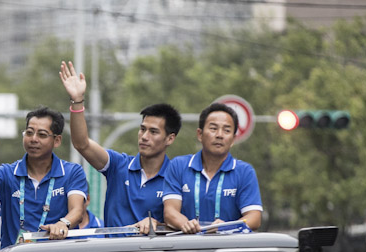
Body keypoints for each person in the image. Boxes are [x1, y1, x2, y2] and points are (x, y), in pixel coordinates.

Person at [59, 61, 180, 233]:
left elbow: (186, 224)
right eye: (142, 129)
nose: (144, 136)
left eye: (153, 132)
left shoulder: (177, 176)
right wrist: (77, 101)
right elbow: (82, 144)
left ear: (170, 138)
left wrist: (157, 225)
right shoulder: (118, 165)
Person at [0, 109, 88, 250]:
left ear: (57, 140)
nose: (33, 139)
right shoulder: (6, 173)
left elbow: (77, 210)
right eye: (29, 133)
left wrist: (63, 223)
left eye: (42, 135)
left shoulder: (71, 172)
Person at [163, 102, 263, 233]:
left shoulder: (244, 172)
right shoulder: (178, 166)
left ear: (233, 139)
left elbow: (254, 217)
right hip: (186, 248)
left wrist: (228, 226)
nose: (219, 135)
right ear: (200, 134)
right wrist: (187, 225)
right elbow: (170, 212)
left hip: (228, 249)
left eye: (227, 130)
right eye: (213, 128)